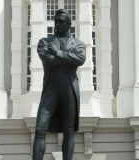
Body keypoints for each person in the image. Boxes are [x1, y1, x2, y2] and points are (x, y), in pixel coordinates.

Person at [33, 9, 86, 160]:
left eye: (62, 21)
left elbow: (80, 60)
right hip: (51, 87)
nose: (58, 24)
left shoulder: (79, 44)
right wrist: (68, 59)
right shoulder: (44, 42)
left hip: (69, 86)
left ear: (69, 24)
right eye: (56, 21)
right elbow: (47, 60)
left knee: (68, 130)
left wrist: (57, 53)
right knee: (39, 128)